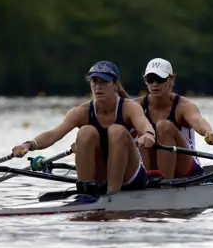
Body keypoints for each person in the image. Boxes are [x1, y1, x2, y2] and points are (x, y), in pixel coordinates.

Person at [11, 61, 156, 195]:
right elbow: (54, 134)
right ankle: (86, 191)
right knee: (86, 131)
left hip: (131, 176)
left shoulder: (129, 108)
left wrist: (149, 134)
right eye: (94, 81)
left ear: (116, 84)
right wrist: (29, 144)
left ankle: (112, 194)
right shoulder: (81, 112)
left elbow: (144, 125)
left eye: (104, 82)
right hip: (100, 174)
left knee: (116, 130)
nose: (98, 87)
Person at [135, 57, 213, 179]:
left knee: (163, 126)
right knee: (136, 126)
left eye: (160, 79)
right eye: (150, 79)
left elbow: (198, 121)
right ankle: (148, 181)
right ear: (145, 81)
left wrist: (208, 132)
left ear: (172, 79)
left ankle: (166, 185)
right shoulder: (137, 106)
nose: (155, 84)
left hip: (185, 167)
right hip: (151, 167)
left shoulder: (183, 106)